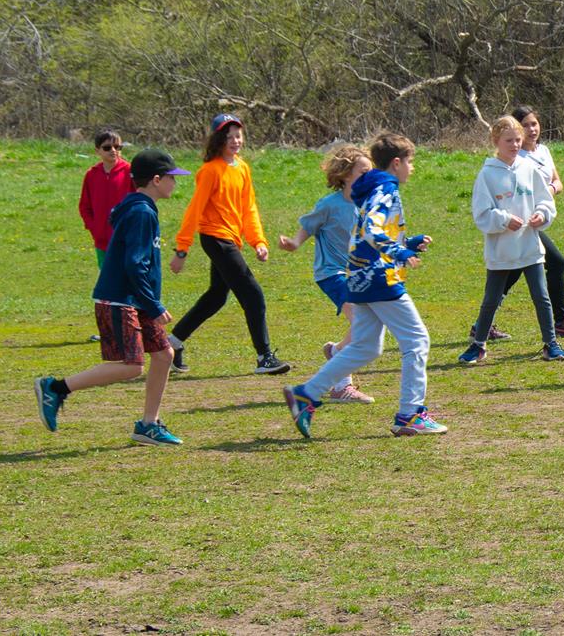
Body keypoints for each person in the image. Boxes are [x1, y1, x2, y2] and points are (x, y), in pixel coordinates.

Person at [284, 133, 447, 438]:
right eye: (410, 162)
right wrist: (399, 252)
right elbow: (372, 228)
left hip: (358, 278)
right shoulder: (386, 188)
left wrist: (406, 243)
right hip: (379, 277)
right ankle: (410, 415)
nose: (412, 168)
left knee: (366, 346)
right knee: (418, 340)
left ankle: (306, 393)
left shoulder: (370, 189)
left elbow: (364, 233)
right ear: (396, 163)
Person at [34, 148, 189, 446]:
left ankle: (148, 425)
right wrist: (153, 304)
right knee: (131, 366)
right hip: (121, 299)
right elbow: (134, 264)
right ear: (156, 180)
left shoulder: (140, 208)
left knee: (164, 354)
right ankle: (56, 388)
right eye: (172, 178)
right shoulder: (142, 212)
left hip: (136, 298)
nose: (175, 183)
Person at [167, 113, 288, 375]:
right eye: (229, 136)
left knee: (216, 297)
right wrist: (182, 248)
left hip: (231, 238)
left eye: (238, 135)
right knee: (253, 294)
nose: (235, 141)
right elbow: (194, 209)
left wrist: (258, 241)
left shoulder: (242, 167)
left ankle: (172, 344)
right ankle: (264, 357)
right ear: (218, 139)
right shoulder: (209, 171)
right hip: (215, 237)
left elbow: (249, 208)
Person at [460, 116, 564, 364]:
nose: (515, 145)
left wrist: (542, 214)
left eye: (518, 139)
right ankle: (478, 345)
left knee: (541, 296)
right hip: (501, 250)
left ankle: (551, 343)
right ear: (496, 141)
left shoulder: (528, 169)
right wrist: (504, 219)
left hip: (529, 245)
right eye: (509, 140)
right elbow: (481, 214)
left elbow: (545, 200)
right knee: (491, 299)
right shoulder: (487, 174)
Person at [276, 144, 375, 404]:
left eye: (371, 171)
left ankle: (337, 352)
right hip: (332, 273)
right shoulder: (330, 204)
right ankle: (341, 386)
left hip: (358, 275)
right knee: (362, 323)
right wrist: (295, 243)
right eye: (363, 171)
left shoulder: (370, 204)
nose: (369, 177)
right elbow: (308, 225)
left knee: (367, 323)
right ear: (345, 175)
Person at [498, 106, 564, 339]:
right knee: (557, 263)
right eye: (526, 125)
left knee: (513, 271)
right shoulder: (515, 157)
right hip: (523, 225)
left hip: (539, 219)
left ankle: (481, 325)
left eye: (534, 123)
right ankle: (561, 321)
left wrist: (548, 190)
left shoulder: (544, 151)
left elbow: (558, 182)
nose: (532, 129)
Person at [77, 128, 133, 341]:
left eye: (118, 147)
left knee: (128, 282)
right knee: (109, 285)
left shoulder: (130, 173)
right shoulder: (91, 175)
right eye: (108, 148)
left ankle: (129, 327)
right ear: (97, 151)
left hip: (127, 241)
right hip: (103, 243)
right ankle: (110, 330)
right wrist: (95, 228)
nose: (114, 151)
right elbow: (85, 206)